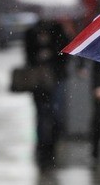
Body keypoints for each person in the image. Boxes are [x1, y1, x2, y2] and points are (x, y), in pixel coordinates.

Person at [24, 19, 70, 169]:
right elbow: (28, 55)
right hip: (39, 80)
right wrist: (39, 53)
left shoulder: (59, 30)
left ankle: (52, 145)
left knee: (56, 114)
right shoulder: (31, 32)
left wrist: (51, 52)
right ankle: (42, 147)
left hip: (56, 79)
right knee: (42, 114)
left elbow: (65, 53)